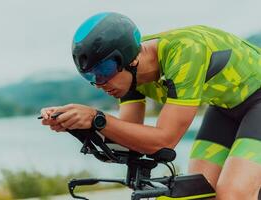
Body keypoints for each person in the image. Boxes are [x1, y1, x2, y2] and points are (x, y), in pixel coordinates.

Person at [40, 12, 261, 199]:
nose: (99, 83)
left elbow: (164, 141)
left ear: (130, 60)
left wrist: (97, 117)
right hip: (225, 105)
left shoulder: (185, 53)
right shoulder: (129, 77)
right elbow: (129, 140)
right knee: (198, 190)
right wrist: (81, 125)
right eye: (91, 77)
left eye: (103, 71)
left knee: (233, 194)